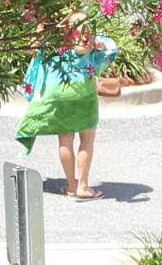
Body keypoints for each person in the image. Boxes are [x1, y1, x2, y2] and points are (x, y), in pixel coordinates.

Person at [18, 32, 121, 199]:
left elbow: (35, 53)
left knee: (65, 140)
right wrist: (97, 44)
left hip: (60, 95)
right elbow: (111, 51)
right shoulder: (90, 43)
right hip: (83, 95)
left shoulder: (52, 40)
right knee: (86, 141)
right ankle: (83, 186)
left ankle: (71, 186)